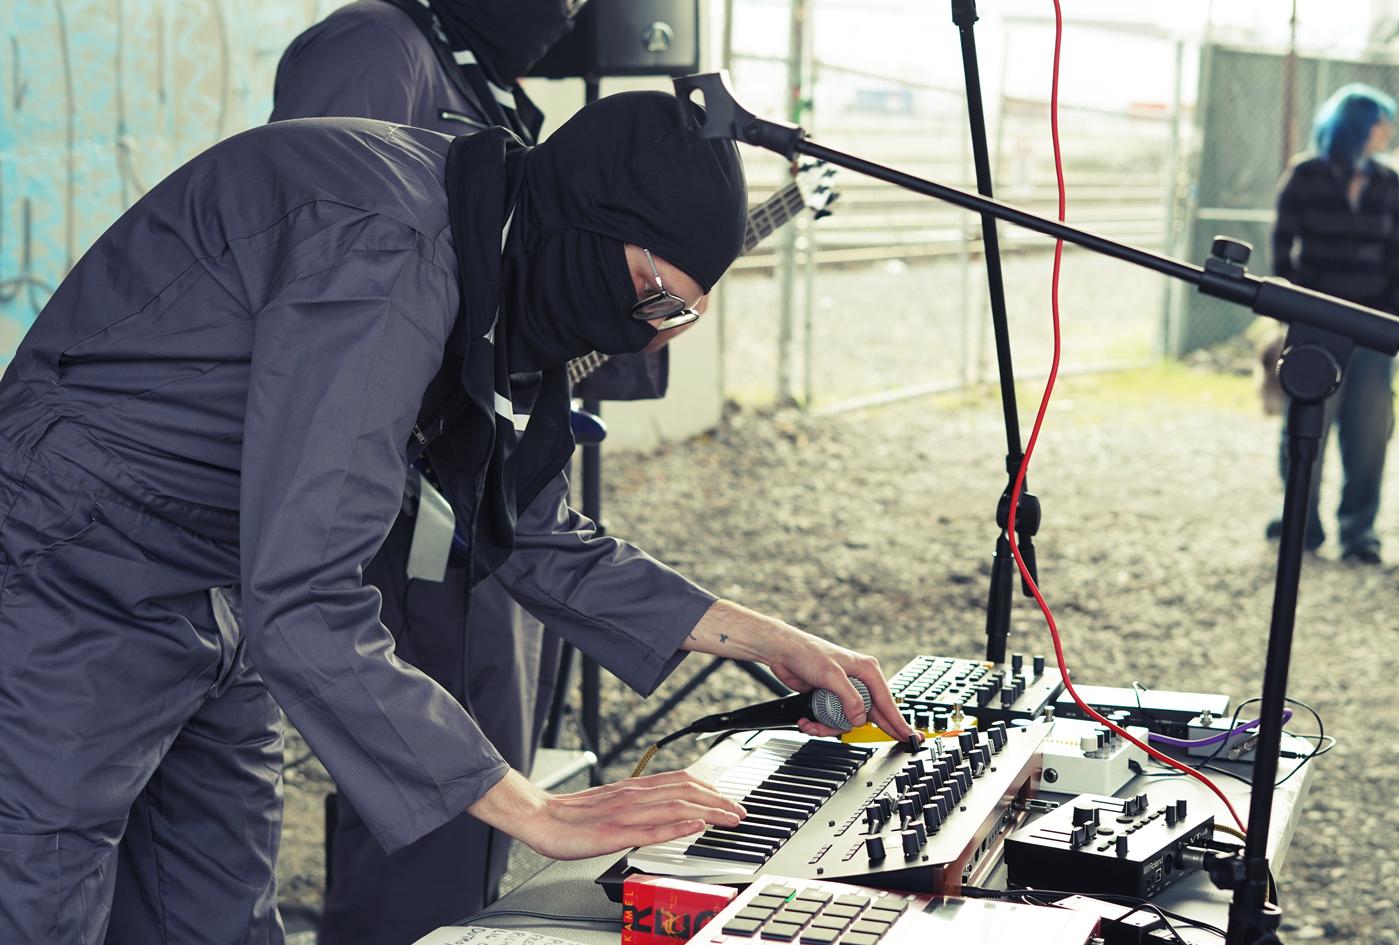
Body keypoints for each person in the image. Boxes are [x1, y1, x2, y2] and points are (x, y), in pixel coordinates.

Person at [0, 92, 916, 945]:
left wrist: (767, 638)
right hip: (82, 548)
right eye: (656, 298)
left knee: (217, 901)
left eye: (682, 317)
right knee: (40, 882)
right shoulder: (391, 252)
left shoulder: (501, 238)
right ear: (591, 228)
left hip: (225, 566)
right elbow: (309, 596)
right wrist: (535, 811)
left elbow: (529, 525)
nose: (648, 336)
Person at [270, 3, 681, 937]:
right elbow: (318, 264)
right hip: (404, 503)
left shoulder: (487, 80)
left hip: (471, 494)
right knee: (425, 791)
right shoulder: (380, 47)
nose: (570, 8)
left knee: (486, 762)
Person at [1266, 83, 1399, 565]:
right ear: (1359, 126)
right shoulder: (1305, 175)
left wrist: (1394, 328)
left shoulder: (1389, 183)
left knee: (1370, 434)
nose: (1388, 130)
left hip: (1372, 329)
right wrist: (1296, 306)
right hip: (1315, 328)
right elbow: (1281, 246)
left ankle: (1359, 531)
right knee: (1306, 429)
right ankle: (1301, 524)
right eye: (1381, 121)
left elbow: (1396, 257)